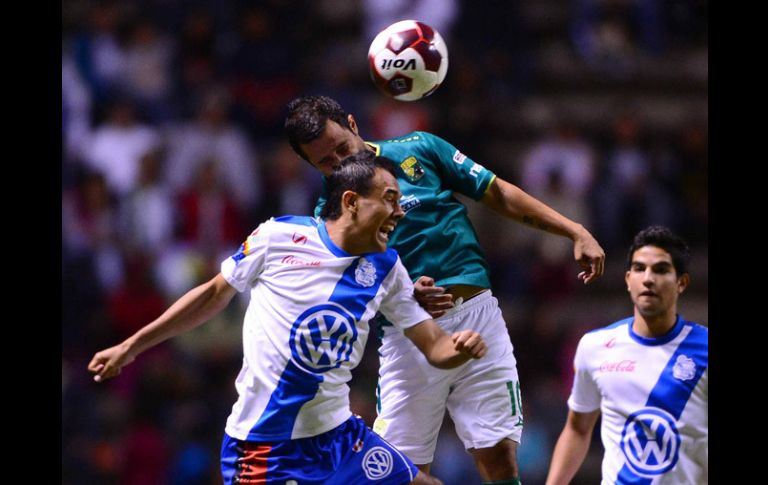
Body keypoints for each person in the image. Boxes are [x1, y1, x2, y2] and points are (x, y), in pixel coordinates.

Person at [88, 156, 490, 485]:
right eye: (390, 199)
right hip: (266, 448)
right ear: (351, 201)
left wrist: (461, 347)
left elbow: (435, 346)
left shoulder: (386, 268)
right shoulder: (278, 236)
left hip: (339, 439)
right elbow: (212, 294)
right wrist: (130, 346)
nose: (399, 212)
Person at [284, 95, 606, 484]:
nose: (339, 161)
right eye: (325, 161)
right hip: (408, 338)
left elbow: (497, 192)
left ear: (353, 125)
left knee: (499, 456)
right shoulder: (329, 216)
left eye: (341, 147)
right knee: (403, 473)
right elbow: (350, 289)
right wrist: (403, 295)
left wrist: (573, 229)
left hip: (478, 316)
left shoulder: (419, 148)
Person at [545, 226, 707, 484]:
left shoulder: (704, 348)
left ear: (681, 283)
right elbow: (577, 429)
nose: (648, 278)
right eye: (639, 269)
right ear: (628, 279)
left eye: (661, 270)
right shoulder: (595, 346)